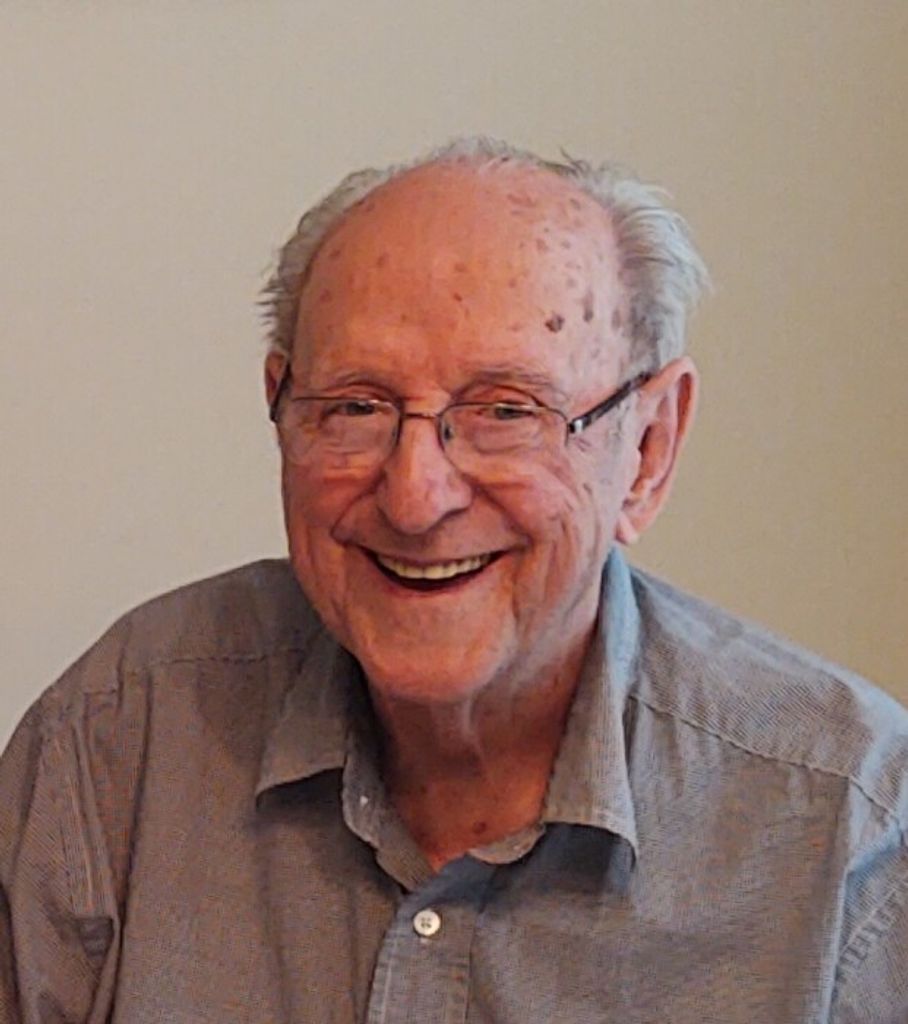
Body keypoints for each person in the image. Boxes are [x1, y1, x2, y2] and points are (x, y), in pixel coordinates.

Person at [1, 137, 905, 1024]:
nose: (415, 497)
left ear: (649, 450)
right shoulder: (119, 741)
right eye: (356, 406)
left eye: (507, 411)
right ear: (281, 407)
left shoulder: (851, 839)